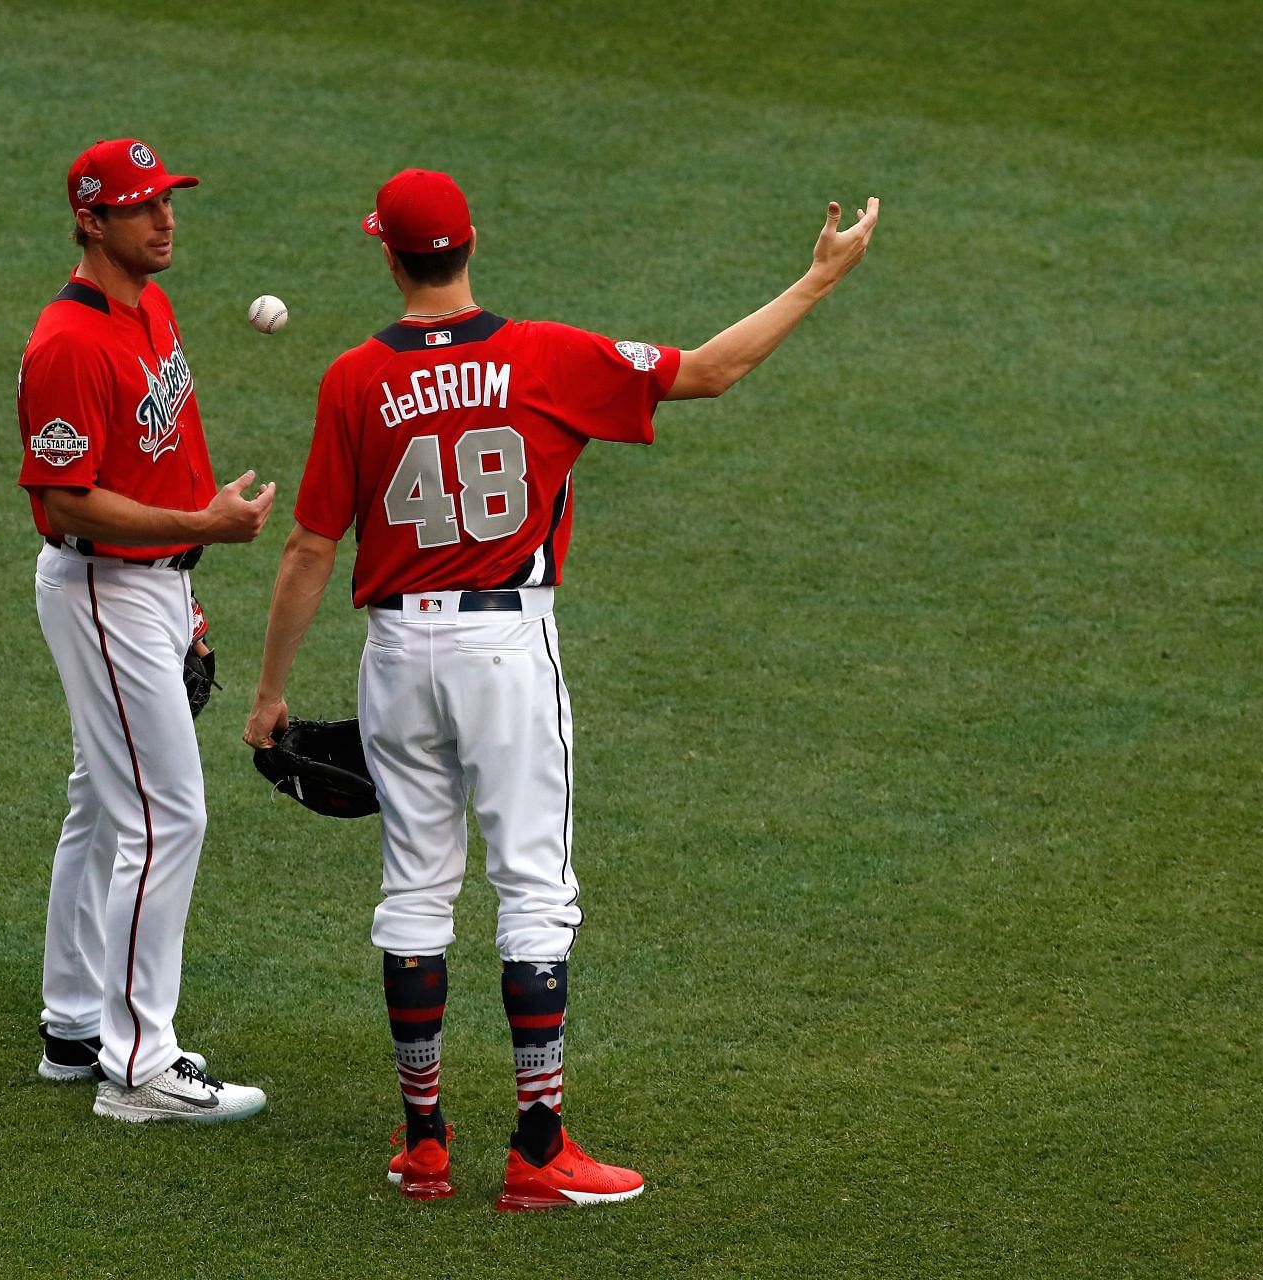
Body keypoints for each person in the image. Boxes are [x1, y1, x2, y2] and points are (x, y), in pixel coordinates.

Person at [244, 169, 879, 1206]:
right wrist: (816, 280)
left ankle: (423, 1142)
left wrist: (270, 695)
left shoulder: (353, 377)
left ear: (388, 253)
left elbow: (310, 547)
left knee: (414, 891)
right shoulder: (543, 354)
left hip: (398, 653)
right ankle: (539, 1148)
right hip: (506, 650)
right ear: (471, 243)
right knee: (532, 889)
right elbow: (711, 370)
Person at [19, 137, 276, 1124]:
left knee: (103, 800)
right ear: (91, 220)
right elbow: (68, 501)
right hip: (101, 586)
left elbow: (156, 464)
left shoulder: (152, 306)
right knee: (167, 814)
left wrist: (189, 591)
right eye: (140, 208)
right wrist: (202, 530)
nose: (164, 220)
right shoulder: (68, 344)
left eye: (167, 201)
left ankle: (76, 1026)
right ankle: (142, 1068)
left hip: (152, 587)